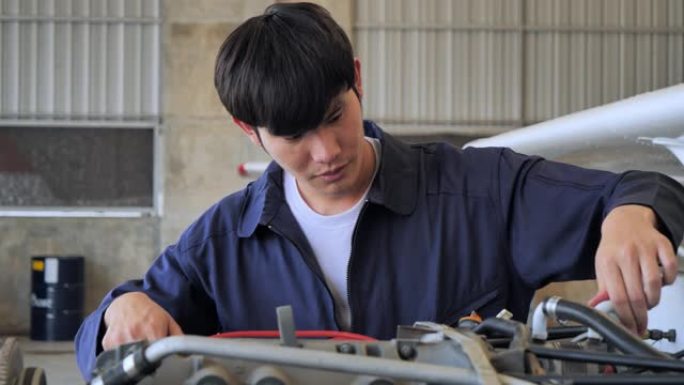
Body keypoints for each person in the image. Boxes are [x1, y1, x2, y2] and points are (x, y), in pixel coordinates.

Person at [75, 2, 684, 380]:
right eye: (292, 135)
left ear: (357, 80)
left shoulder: (479, 192)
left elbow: (639, 188)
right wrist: (117, 312)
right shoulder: (220, 243)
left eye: (334, 114)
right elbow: (113, 339)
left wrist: (631, 214)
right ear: (249, 130)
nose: (327, 152)